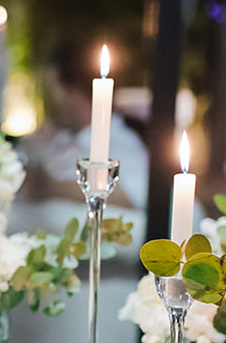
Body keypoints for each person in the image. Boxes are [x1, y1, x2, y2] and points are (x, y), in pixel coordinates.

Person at [16, 37, 149, 212]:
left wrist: (52, 187)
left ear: (74, 91)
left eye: (54, 88)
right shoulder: (63, 138)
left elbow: (136, 196)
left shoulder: (118, 140)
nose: (52, 99)